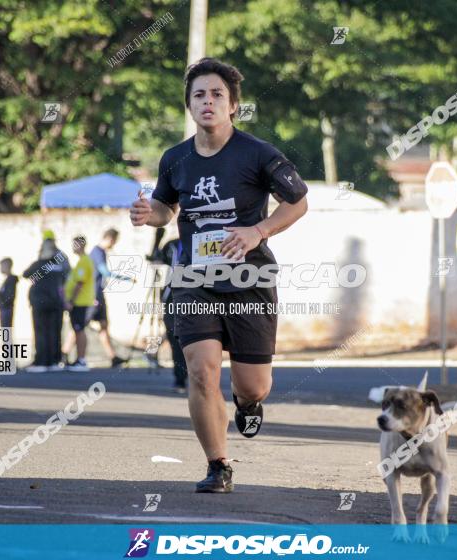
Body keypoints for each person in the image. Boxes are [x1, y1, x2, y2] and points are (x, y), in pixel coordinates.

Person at [129, 57, 308, 493]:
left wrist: (256, 232)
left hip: (249, 280)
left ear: (232, 105)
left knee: (253, 386)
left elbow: (297, 202)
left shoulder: (259, 153)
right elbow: (166, 209)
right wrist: (146, 213)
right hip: (194, 279)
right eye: (199, 95)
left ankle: (248, 405)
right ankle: (218, 464)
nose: (208, 102)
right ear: (189, 106)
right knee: (202, 369)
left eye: (217, 95)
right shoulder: (175, 159)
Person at [22, 238, 67, 373]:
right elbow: (65, 278)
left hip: (40, 302)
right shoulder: (59, 264)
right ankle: (54, 361)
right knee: (55, 332)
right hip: (56, 302)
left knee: (41, 331)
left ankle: (41, 361)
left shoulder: (39, 264)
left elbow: (25, 274)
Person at [88, 228, 132, 367]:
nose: (114, 245)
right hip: (92, 294)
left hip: (98, 293)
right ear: (110, 238)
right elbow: (105, 272)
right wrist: (126, 278)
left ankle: (112, 357)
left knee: (103, 325)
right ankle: (64, 353)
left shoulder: (100, 252)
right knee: (80, 325)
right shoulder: (97, 252)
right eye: (114, 241)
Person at [62, 236, 95, 371]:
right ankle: (78, 359)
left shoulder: (84, 261)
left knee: (79, 330)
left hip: (81, 303)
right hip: (78, 302)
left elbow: (80, 283)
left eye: (75, 244)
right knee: (77, 330)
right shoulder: (81, 261)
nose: (73, 247)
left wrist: (71, 301)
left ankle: (81, 360)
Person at [160, 238, 188, 393]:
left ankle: (204, 378)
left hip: (201, 296)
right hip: (173, 297)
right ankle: (180, 379)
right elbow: (159, 262)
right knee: (175, 338)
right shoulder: (171, 245)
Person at [0, 258, 17, 328]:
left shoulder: (11, 279)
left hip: (6, 310)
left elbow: (9, 297)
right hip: (5, 310)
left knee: (6, 334)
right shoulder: (8, 279)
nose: (0, 268)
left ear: (7, 266)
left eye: (1, 266)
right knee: (5, 333)